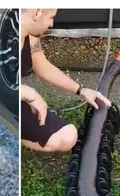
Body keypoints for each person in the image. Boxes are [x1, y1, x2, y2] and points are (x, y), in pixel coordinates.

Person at [21, 9, 111, 152]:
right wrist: (27, 93)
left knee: (67, 137)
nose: (51, 24)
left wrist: (81, 90)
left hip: (14, 98)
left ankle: (20, 132)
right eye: (51, 17)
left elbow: (43, 67)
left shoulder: (30, 35)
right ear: (37, 12)